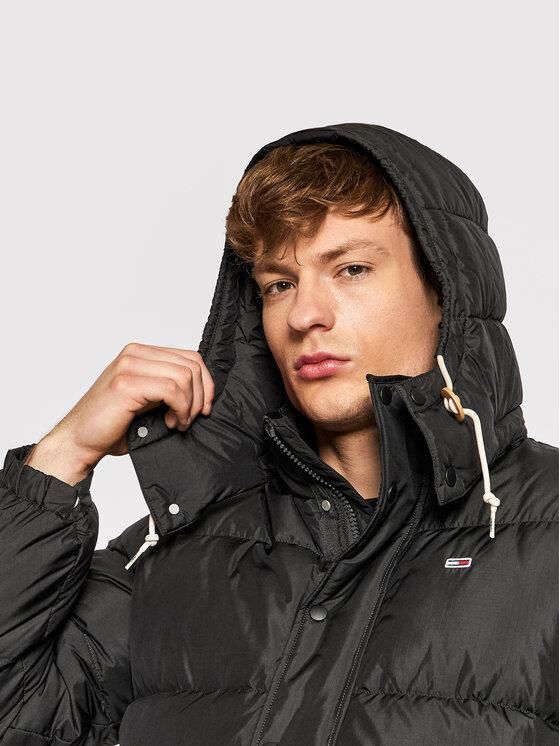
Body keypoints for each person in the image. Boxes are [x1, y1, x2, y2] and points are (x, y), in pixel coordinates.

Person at [0, 123, 557, 745]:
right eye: (279, 285)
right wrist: (62, 457)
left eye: (351, 269)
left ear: (446, 293)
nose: (304, 315)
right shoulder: (176, 551)